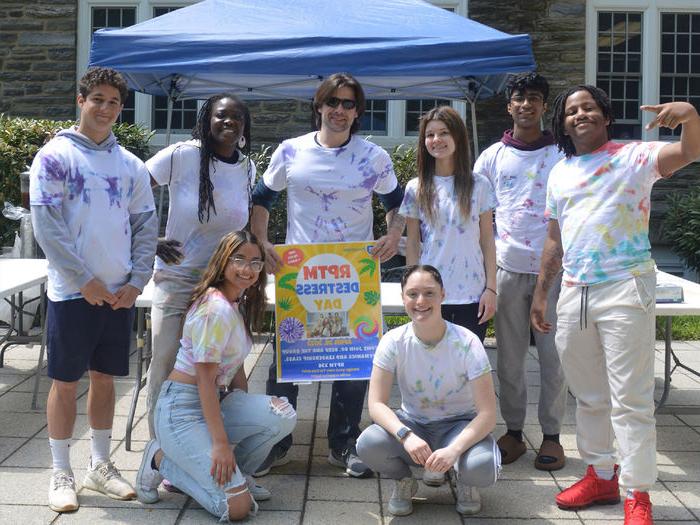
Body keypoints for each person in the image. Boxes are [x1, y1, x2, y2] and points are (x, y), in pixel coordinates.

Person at [530, 85, 700, 525]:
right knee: (588, 395)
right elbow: (554, 238)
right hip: (575, 291)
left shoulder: (634, 156)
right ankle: (602, 473)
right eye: (571, 110)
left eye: (588, 107)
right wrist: (541, 293)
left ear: (605, 116)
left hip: (625, 287)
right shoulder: (560, 171)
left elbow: (689, 152)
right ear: (563, 123)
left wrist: (690, 118)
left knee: (631, 398)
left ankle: (637, 492)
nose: (580, 114)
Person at [250, 72, 406, 478]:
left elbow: (396, 202)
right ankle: (277, 442)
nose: (340, 110)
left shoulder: (374, 157)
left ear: (358, 112)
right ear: (318, 106)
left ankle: (344, 444)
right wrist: (263, 243)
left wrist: (393, 233)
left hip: (353, 273)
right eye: (332, 102)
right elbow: (262, 198)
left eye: (349, 104)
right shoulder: (290, 151)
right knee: (286, 362)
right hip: (300, 275)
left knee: (353, 362)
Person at [29, 67, 158, 512]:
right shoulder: (54, 157)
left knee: (106, 380)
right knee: (65, 383)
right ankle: (61, 470)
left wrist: (137, 281)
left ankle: (100, 466)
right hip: (72, 293)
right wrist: (83, 280)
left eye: (114, 102)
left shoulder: (131, 166)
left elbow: (145, 226)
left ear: (121, 109)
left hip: (119, 293)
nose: (105, 108)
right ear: (80, 101)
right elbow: (47, 226)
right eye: (97, 99)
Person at [135, 230, 297, 521]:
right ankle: (159, 460)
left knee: (281, 413)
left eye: (255, 262)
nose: (247, 269)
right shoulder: (215, 310)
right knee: (237, 509)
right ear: (223, 261)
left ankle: (238, 475)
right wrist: (222, 445)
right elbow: (205, 382)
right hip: (181, 411)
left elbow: (235, 366)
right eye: (239, 260)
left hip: (211, 401)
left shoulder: (236, 302)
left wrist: (243, 407)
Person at [144, 93, 255, 439]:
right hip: (178, 279)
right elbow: (130, 189)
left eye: (236, 117)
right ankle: (160, 451)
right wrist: (149, 240)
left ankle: (214, 444)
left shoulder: (248, 168)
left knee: (226, 365)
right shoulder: (181, 156)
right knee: (166, 362)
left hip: (223, 286)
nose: (229, 122)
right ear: (207, 119)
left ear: (244, 126)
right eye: (221, 115)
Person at [472, 73, 567, 471]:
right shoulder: (492, 156)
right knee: (509, 357)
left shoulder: (563, 154)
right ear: (508, 106)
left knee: (553, 358)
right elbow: (477, 213)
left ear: (544, 106)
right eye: (518, 98)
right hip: (507, 270)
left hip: (555, 272)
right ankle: (513, 432)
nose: (526, 104)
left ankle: (552, 436)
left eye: (534, 98)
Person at [356, 265, 500, 516]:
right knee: (368, 443)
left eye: (429, 293)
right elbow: (376, 404)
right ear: (403, 298)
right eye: (412, 294)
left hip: (458, 426)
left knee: (482, 467)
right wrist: (405, 435)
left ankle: (463, 478)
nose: (420, 301)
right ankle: (404, 481)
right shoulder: (393, 341)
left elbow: (488, 414)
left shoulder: (467, 342)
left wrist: (455, 450)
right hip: (414, 424)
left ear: (443, 295)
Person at [400, 106, 497, 343]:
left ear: (457, 137)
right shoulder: (416, 188)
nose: (436, 140)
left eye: (443, 133)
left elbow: (487, 240)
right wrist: (412, 290)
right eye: (430, 135)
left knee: (467, 370)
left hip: (472, 295)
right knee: (432, 367)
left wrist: (491, 289)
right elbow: (412, 243)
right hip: (430, 295)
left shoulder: (479, 185)